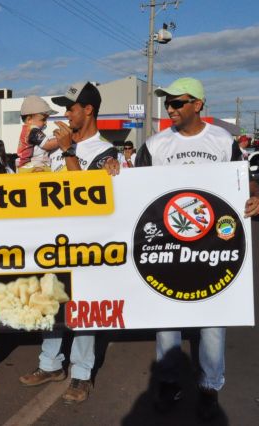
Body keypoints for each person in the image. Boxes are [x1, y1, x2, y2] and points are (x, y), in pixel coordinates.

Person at [114, 77, 259, 420]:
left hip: (213, 245)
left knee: (214, 319)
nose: (170, 108)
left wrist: (254, 195)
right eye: (168, 103)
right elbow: (135, 188)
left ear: (198, 104)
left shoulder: (222, 140)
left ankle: (210, 386)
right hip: (167, 246)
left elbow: (243, 179)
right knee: (167, 317)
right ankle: (168, 382)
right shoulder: (156, 144)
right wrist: (114, 172)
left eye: (178, 102)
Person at [19, 82, 117, 405]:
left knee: (84, 308)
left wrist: (68, 151)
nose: (66, 114)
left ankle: (82, 373)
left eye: (71, 108)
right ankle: (50, 364)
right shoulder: (57, 144)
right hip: (52, 238)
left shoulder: (105, 151)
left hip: (88, 243)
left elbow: (87, 194)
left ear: (88, 110)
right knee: (50, 301)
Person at [16, 95, 59, 172]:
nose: (46, 122)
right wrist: (63, 137)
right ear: (29, 119)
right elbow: (48, 145)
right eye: (43, 119)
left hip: (27, 167)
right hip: (30, 167)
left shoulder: (28, 130)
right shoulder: (33, 131)